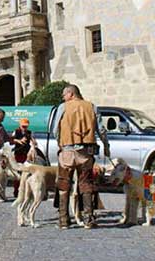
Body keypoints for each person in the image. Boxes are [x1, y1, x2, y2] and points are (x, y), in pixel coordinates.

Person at [53, 84, 108, 230]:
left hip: (67, 150)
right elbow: (101, 129)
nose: (63, 98)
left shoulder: (63, 107)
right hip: (86, 152)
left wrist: (60, 143)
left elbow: (54, 129)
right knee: (86, 184)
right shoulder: (91, 106)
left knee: (64, 185)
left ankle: (63, 220)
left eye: (64, 95)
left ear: (71, 93)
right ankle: (88, 219)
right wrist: (106, 146)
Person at [11, 117, 32, 197]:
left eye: (26, 126)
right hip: (18, 154)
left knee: (26, 173)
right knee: (17, 173)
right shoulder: (16, 131)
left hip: (26, 154)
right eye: (23, 126)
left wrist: (33, 144)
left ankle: (25, 191)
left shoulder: (29, 132)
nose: (24, 128)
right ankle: (16, 191)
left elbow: (32, 141)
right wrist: (18, 140)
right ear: (20, 125)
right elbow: (11, 140)